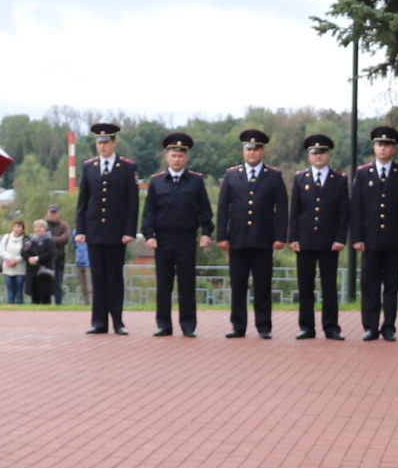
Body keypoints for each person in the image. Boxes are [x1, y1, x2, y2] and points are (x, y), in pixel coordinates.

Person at [218, 127, 287, 338]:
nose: (252, 153)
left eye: (256, 149)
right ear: (243, 151)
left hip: (263, 239)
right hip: (237, 239)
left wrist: (280, 236)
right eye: (249, 149)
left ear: (262, 151)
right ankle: (238, 326)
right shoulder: (231, 175)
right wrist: (222, 236)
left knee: (262, 286)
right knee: (238, 285)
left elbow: (282, 209)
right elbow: (223, 207)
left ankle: (264, 326)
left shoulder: (274, 176)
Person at [75, 121, 141, 334]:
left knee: (114, 279)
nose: (102, 146)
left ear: (114, 142)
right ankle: (98, 322)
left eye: (105, 142)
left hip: (116, 233)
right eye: (99, 142)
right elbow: (83, 201)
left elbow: (132, 202)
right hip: (94, 231)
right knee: (98, 279)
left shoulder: (127, 167)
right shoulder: (89, 166)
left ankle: (118, 322)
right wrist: (81, 229)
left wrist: (129, 230)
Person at [351, 125, 398, 340]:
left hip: (394, 240)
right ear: (374, 147)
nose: (383, 148)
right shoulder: (363, 173)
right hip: (369, 240)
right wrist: (357, 237)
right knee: (369, 284)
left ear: (393, 148)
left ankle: (389, 326)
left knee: (391, 285)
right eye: (379, 144)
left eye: (387, 145)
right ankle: (370, 326)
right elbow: (356, 207)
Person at [143, 133, 212, 336]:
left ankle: (188, 325)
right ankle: (164, 325)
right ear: (167, 156)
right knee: (163, 284)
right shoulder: (156, 182)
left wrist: (206, 232)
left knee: (187, 284)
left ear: (186, 157)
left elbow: (205, 210)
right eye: (173, 155)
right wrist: (149, 235)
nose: (177, 159)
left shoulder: (196, 181)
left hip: (186, 239)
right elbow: (149, 212)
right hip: (163, 240)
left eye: (180, 156)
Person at [289, 135, 351, 340]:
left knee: (329, 287)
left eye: (322, 152)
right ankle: (307, 327)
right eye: (314, 153)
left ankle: (331, 327)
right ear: (309, 155)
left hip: (329, 242)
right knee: (305, 287)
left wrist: (340, 238)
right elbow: (294, 211)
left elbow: (344, 212)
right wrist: (293, 237)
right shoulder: (300, 178)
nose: (318, 156)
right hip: (305, 241)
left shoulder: (339, 179)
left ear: (328, 154)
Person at [41, 205, 71, 304]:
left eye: (55, 213)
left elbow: (65, 239)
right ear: (47, 213)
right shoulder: (43, 224)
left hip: (59, 259)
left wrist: (50, 238)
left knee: (58, 284)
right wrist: (58, 239)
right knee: (46, 283)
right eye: (51, 212)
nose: (53, 215)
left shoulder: (64, 225)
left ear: (58, 214)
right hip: (46, 259)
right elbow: (42, 237)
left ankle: (58, 305)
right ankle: (46, 305)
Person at [24, 220, 59, 303]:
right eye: (36, 227)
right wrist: (29, 258)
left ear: (45, 228)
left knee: (46, 297)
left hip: (45, 272)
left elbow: (50, 253)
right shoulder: (29, 240)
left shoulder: (49, 241)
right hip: (32, 271)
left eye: (41, 227)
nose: (38, 229)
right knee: (34, 297)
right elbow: (23, 252)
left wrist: (37, 258)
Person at [0, 216, 27, 303]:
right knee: (10, 292)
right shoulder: (6, 237)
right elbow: (1, 251)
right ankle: (10, 308)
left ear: (22, 229)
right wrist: (10, 259)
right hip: (7, 268)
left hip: (20, 270)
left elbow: (26, 253)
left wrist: (16, 260)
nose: (16, 229)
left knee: (19, 292)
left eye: (19, 227)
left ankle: (20, 308)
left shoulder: (25, 239)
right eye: (15, 226)